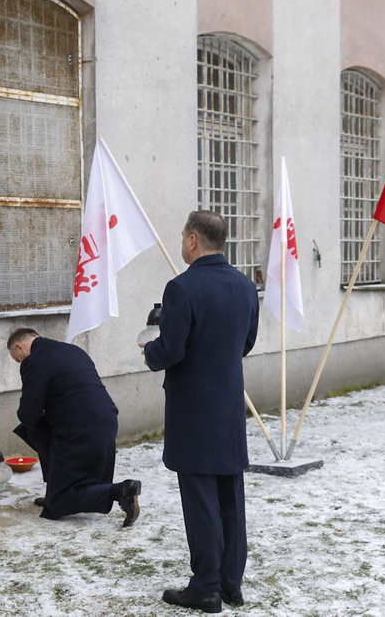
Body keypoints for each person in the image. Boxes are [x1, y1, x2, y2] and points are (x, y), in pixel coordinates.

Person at [141, 210, 260, 613]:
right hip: (228, 405)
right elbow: (245, 342)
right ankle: (231, 584)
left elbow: (170, 349)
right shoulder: (245, 287)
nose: (181, 243)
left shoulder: (182, 288)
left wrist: (150, 351)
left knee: (201, 500)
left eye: (181, 236)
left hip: (192, 408)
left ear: (193, 240)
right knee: (230, 495)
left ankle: (206, 586)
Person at [7, 328, 141, 527]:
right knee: (79, 483)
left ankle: (120, 491)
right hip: (106, 421)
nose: (20, 363)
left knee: (31, 428)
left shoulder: (33, 361)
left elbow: (28, 413)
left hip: (78, 429)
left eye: (17, 359)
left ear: (20, 347)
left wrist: (41, 411)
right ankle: (55, 491)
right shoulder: (74, 350)